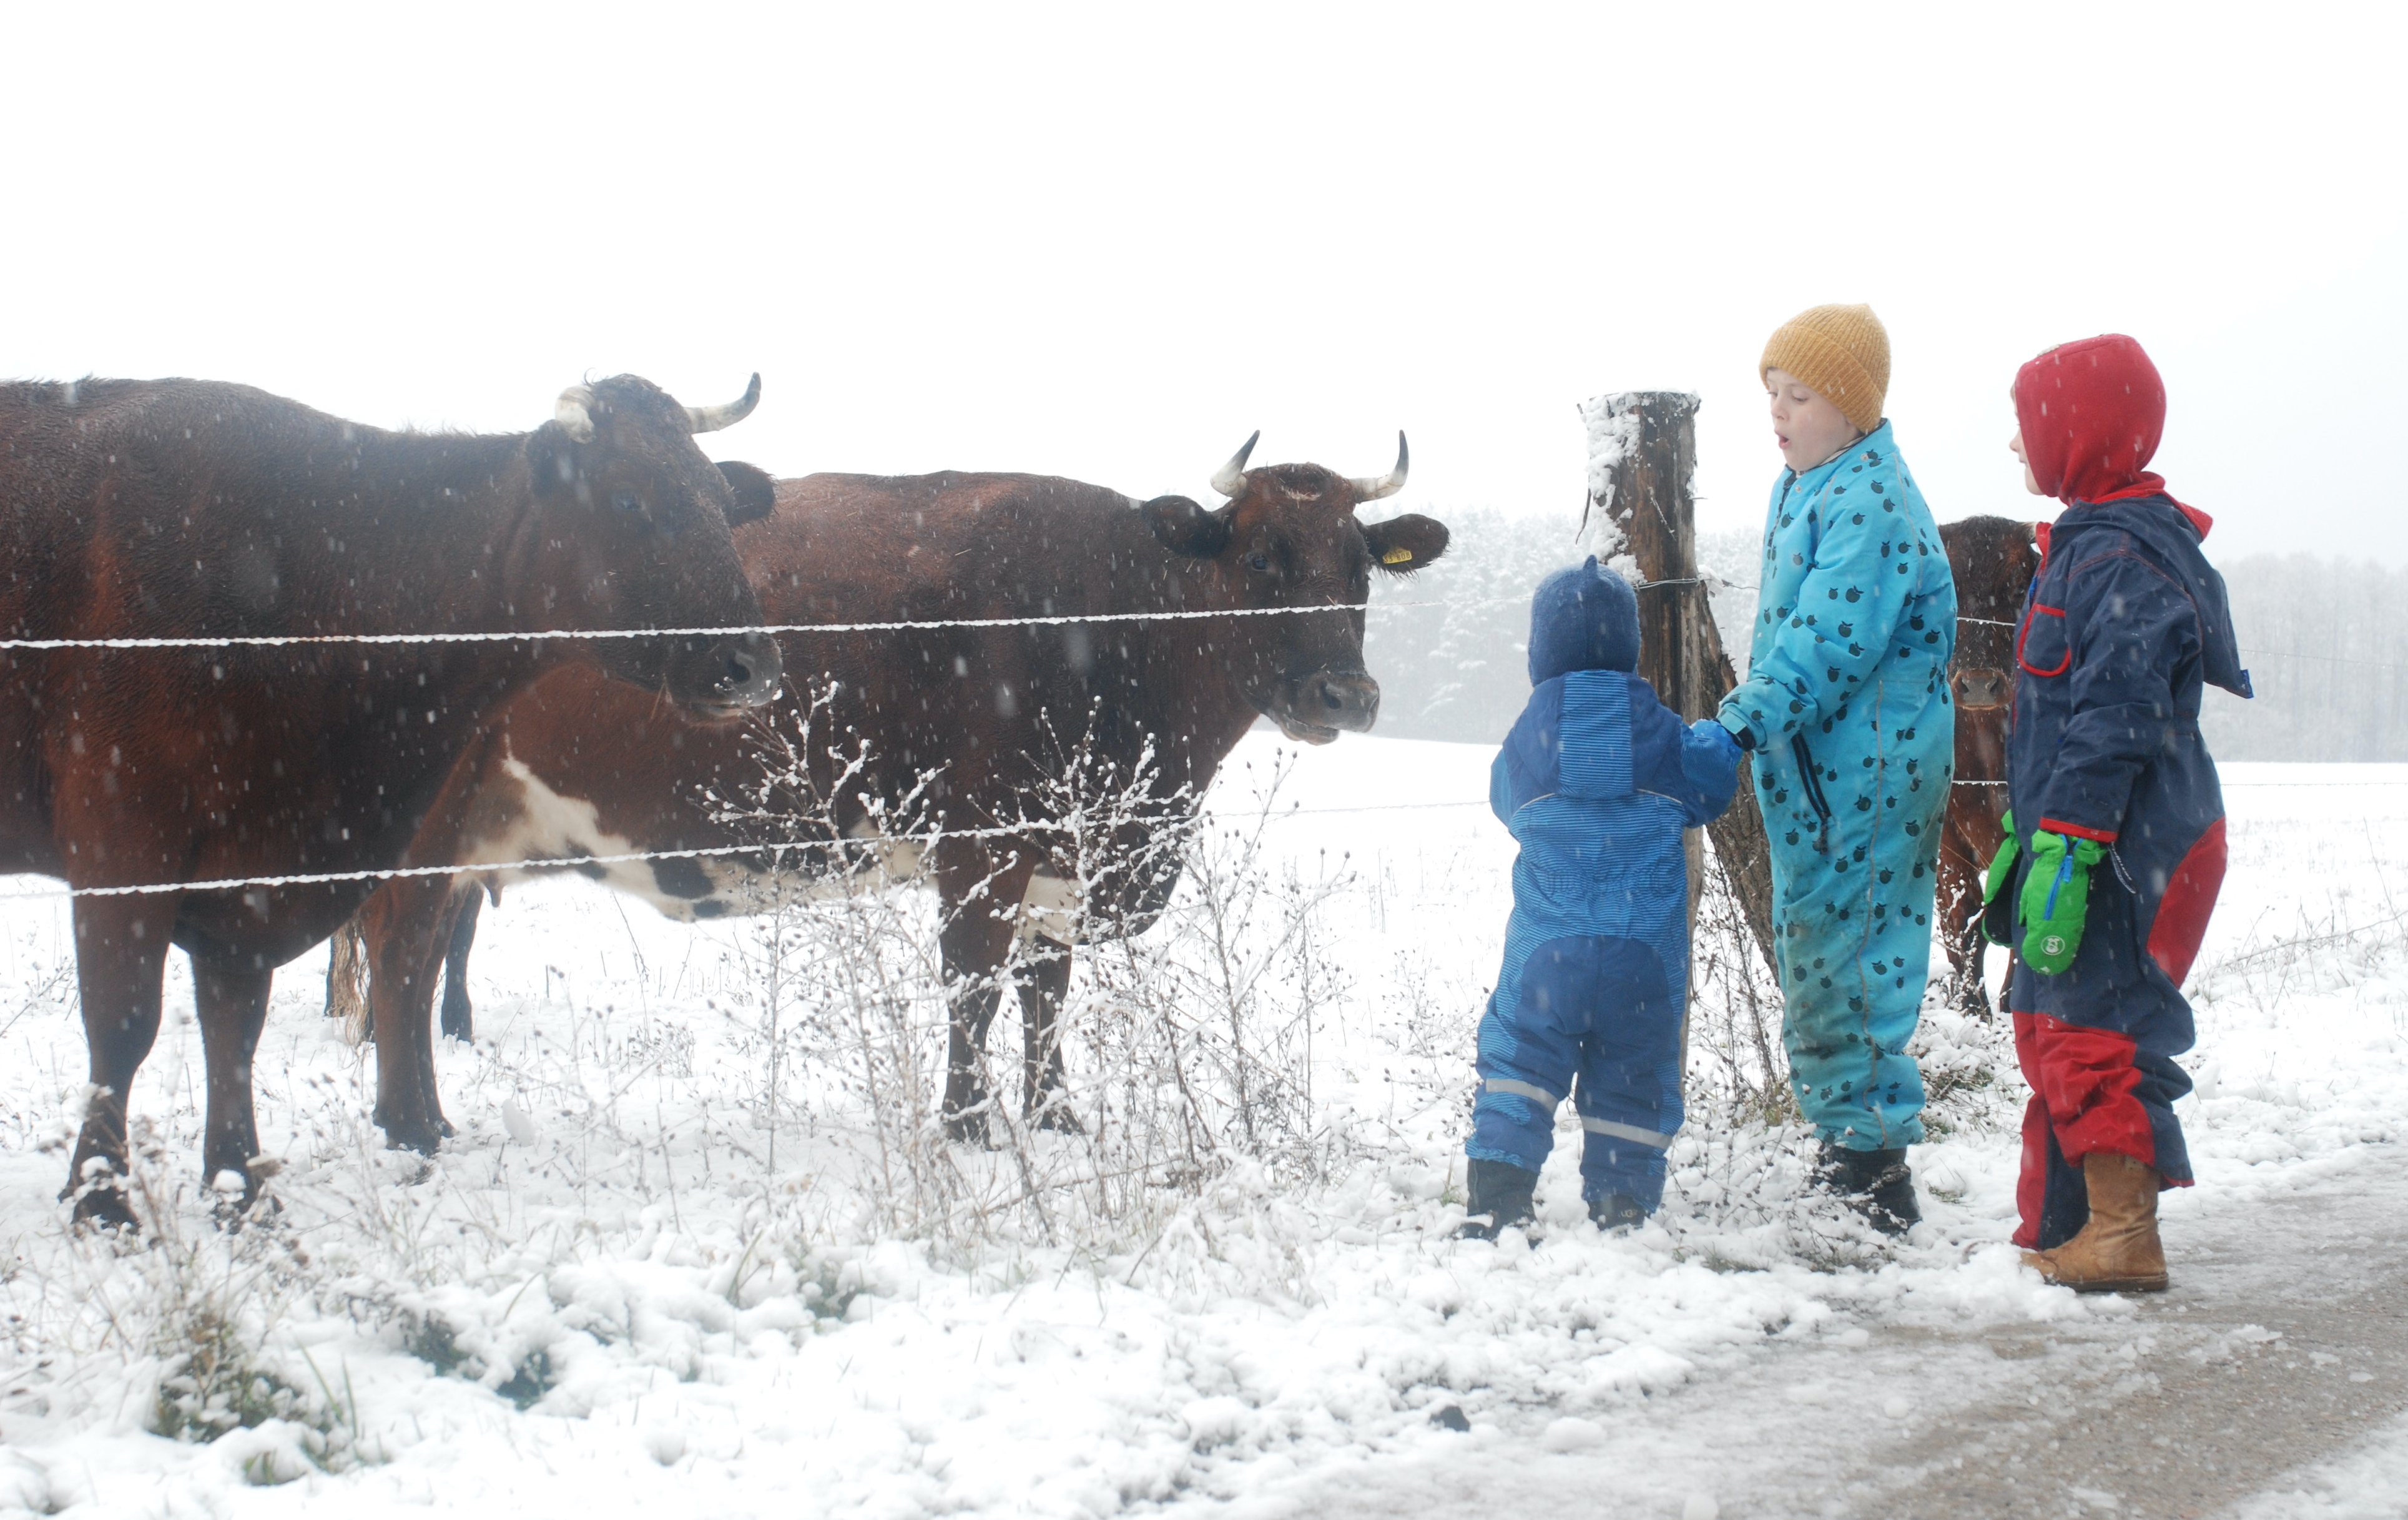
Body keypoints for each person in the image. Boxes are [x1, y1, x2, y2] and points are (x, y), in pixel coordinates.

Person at [1984, 333, 2249, 1293]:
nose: (2015, 448)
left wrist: (2073, 837)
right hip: (2097, 830)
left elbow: (2118, 711)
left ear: (2081, 432)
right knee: (2052, 1013)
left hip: (2134, 835)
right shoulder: (2092, 544)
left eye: (2027, 427)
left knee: (2087, 1021)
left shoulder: (2124, 559)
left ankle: (2121, 1234)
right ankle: (2065, 1224)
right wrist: (2035, 824)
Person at [1714, 304, 1957, 1233]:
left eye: (1800, 394)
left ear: (1854, 409)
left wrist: (1739, 722)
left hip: (1870, 775)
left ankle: (1872, 1170)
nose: (1777, 410)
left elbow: (1825, 642)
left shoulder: (1870, 504)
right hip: (1820, 775)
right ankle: (1847, 1147)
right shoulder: (1812, 484)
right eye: (1771, 392)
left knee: (1853, 955)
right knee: (1821, 948)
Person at [1462, 558, 1742, 1239]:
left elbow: (1504, 803)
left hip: (1545, 958)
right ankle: (1622, 1202)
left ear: (1539, 652)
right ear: (1629, 645)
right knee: (1633, 1073)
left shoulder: (1526, 747)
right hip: (1640, 957)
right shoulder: (1665, 739)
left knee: (1519, 1062)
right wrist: (1718, 736)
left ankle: (1498, 1198)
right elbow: (1712, 784)